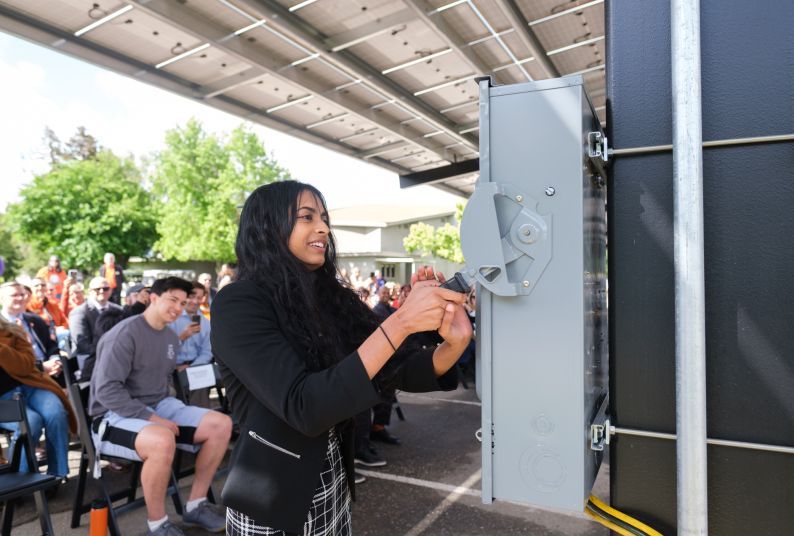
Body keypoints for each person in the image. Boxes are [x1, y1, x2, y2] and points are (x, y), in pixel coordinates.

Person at [211, 181, 472, 535]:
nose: (323, 228)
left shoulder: (331, 299)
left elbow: (393, 370)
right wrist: (402, 321)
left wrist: (453, 344)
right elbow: (305, 405)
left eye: (324, 218)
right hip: (274, 498)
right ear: (268, 225)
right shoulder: (239, 303)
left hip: (332, 479)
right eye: (307, 217)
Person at [90, 277, 232, 536]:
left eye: (183, 302)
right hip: (111, 416)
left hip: (158, 405)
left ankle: (196, 505)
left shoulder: (170, 337)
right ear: (153, 298)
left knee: (221, 424)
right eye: (172, 300)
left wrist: (163, 412)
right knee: (162, 438)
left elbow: (163, 382)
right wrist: (153, 418)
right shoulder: (124, 334)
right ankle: (157, 525)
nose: (178, 307)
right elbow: (107, 391)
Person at [0, 316, 76, 481]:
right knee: (30, 422)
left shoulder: (12, 331)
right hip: (3, 398)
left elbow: (27, 365)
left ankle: (57, 474)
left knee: (56, 414)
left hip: (32, 385)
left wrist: (2, 350)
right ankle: (20, 480)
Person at [0, 282, 62, 377]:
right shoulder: (2, 327)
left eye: (22, 294)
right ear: (2, 299)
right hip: (22, 379)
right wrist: (41, 367)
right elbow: (10, 362)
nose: (20, 298)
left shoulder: (35, 319)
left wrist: (55, 359)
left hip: (51, 372)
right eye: (14, 295)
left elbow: (51, 345)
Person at [168, 281, 213, 407]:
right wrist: (182, 337)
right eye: (192, 296)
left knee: (201, 381)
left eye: (199, 298)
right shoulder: (172, 318)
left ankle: (199, 421)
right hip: (171, 367)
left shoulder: (205, 322)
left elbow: (207, 351)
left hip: (195, 367)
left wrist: (192, 366)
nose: (195, 301)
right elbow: (162, 348)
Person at [69, 277, 122, 378]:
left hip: (117, 358)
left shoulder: (118, 310)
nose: (102, 291)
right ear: (90, 291)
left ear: (110, 290)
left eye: (105, 288)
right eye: (97, 289)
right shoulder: (79, 313)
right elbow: (82, 344)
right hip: (90, 362)